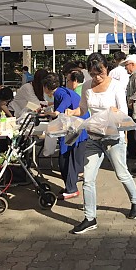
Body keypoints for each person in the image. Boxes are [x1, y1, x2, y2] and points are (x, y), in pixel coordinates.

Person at [64, 53, 136, 234]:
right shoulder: (86, 88)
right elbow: (83, 109)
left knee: (121, 173)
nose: (97, 77)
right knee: (88, 180)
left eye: (101, 73)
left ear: (107, 69)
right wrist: (71, 112)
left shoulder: (115, 86)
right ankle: (90, 218)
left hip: (112, 138)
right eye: (93, 74)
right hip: (93, 137)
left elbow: (123, 111)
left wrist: (115, 112)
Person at [42, 72, 87, 200]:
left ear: (46, 86)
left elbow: (66, 101)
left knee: (65, 159)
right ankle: (70, 186)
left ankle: (72, 188)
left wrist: (57, 111)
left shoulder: (59, 93)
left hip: (74, 129)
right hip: (78, 127)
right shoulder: (62, 90)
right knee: (68, 159)